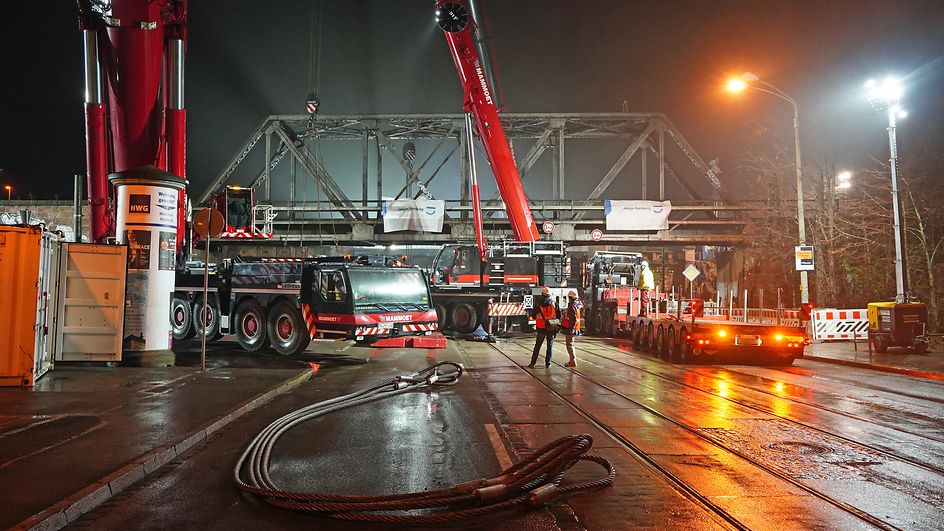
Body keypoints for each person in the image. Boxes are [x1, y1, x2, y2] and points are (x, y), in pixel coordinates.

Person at [528, 286, 560, 368]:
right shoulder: (554, 303)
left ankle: (533, 363)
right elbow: (559, 316)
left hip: (541, 327)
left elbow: (534, 315)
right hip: (551, 328)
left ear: (543, 294)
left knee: (537, 346)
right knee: (550, 346)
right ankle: (548, 363)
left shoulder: (538, 304)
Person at [561, 290, 580, 367]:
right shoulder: (576, 305)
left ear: (570, 298)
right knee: (571, 345)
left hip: (571, 329)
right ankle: (572, 361)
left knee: (569, 345)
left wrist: (570, 330)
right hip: (574, 328)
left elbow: (573, 319)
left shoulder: (572, 307)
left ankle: (572, 361)